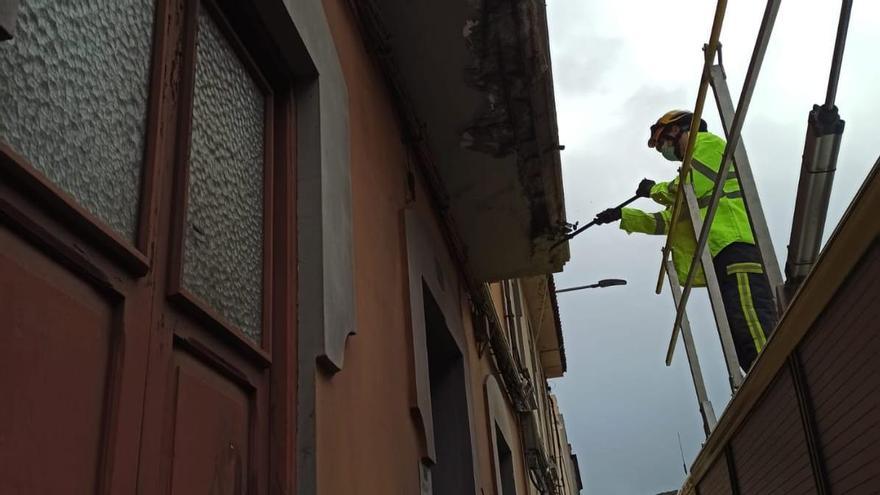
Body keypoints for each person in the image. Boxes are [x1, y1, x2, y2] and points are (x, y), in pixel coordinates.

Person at [595, 110, 777, 371]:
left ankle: (775, 379)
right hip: (720, 253)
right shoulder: (692, 183)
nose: (662, 149)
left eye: (661, 141)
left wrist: (653, 190)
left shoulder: (707, 145)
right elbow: (669, 221)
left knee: (753, 328)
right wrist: (623, 215)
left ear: (678, 129)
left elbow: (684, 186)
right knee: (741, 335)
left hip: (736, 245)